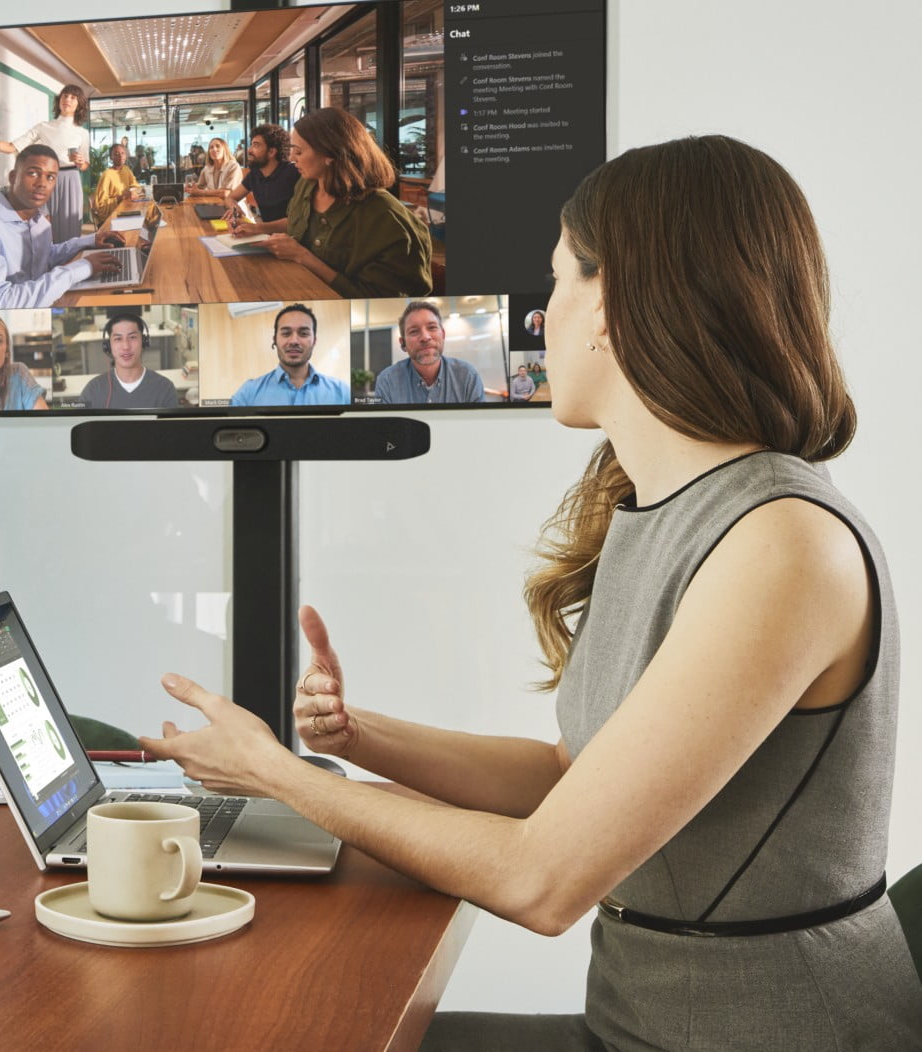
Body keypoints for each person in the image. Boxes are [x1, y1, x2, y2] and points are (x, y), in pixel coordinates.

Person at [138, 136, 922, 1047]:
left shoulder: (780, 546)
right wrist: (359, 739)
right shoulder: (667, 506)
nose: (542, 316)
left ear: (615, 302)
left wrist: (277, 776)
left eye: (556, 283)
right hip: (645, 1024)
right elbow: (567, 778)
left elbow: (541, 882)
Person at [229, 108, 433, 298]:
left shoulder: (384, 217)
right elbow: (298, 222)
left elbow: (382, 298)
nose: (291, 157)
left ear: (330, 154)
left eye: (298, 152)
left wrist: (304, 257)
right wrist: (257, 228)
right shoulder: (307, 185)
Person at [0, 145, 123, 310]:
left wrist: (91, 240)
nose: (42, 184)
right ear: (13, 177)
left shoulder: (38, 220)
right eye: (33, 173)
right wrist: (82, 267)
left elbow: (45, 256)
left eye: (50, 177)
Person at [0, 84, 91, 243]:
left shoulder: (82, 133)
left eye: (73, 97)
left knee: (70, 233)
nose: (68, 100)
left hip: (71, 180)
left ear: (79, 104)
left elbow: (85, 165)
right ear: (59, 100)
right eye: (65, 96)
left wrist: (80, 162)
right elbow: (9, 147)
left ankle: (71, 265)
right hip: (47, 179)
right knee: (43, 229)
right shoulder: (44, 127)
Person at [228, 304, 349, 406]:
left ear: (315, 340)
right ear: (275, 339)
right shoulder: (248, 393)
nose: (294, 341)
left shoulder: (343, 392)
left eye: (303, 333)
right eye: (286, 333)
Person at [372, 300, 485, 403]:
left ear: (443, 334)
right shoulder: (387, 381)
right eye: (414, 331)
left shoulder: (468, 376)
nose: (425, 337)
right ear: (403, 343)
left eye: (432, 328)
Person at [74, 311, 179, 409]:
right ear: (108, 345)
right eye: (118, 339)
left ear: (144, 341)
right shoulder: (92, 391)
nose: (126, 346)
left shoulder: (165, 389)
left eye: (132, 337)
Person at [197, 124, 298, 223]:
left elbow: (295, 223)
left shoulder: (293, 173)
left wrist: (257, 229)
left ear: (271, 152)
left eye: (256, 145)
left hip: (290, 238)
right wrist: (234, 208)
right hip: (267, 234)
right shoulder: (255, 174)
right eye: (251, 145)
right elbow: (230, 197)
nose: (249, 150)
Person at [88, 143, 143, 229]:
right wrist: (121, 197)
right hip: (111, 218)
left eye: (122, 153)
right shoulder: (107, 175)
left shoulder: (126, 169)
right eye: (116, 154)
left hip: (125, 210)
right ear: (111, 157)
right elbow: (100, 206)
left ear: (126, 155)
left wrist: (132, 192)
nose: (120, 156)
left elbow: (136, 186)